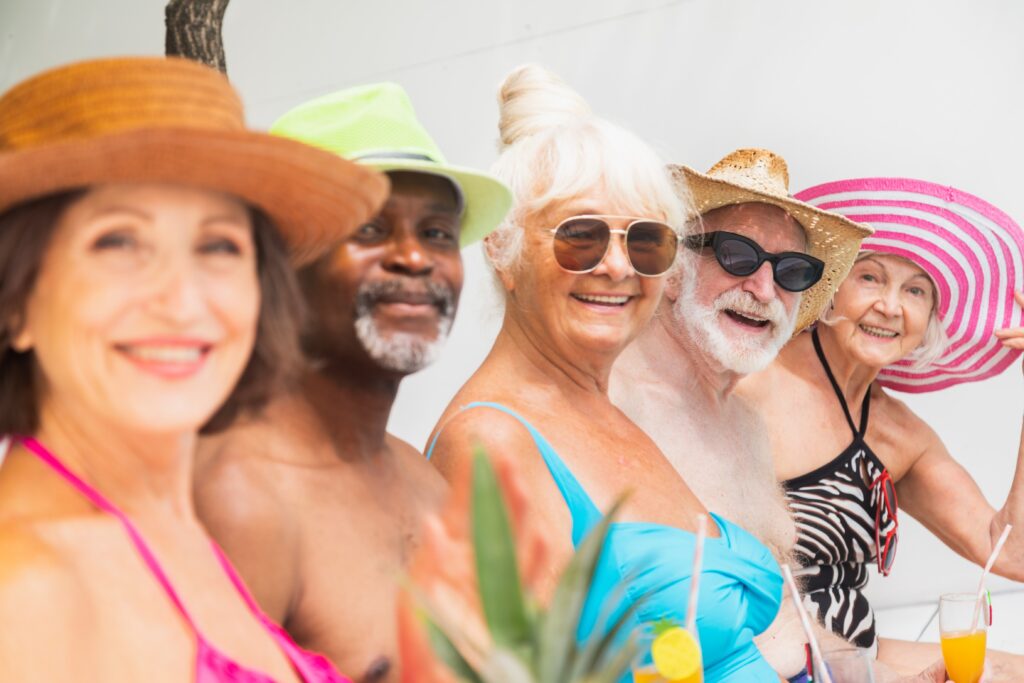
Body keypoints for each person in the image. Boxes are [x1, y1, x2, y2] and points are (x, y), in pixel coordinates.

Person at [0, 56, 388, 681]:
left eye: (218, 246)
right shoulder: (26, 588)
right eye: (118, 242)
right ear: (15, 300)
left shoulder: (173, 530)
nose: (181, 302)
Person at [426, 65, 784, 683]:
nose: (618, 267)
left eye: (646, 242)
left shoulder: (602, 409)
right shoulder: (489, 445)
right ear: (501, 248)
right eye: (580, 237)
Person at [195, 83, 512, 683]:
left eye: (438, 232)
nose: (414, 258)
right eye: (369, 229)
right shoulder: (242, 497)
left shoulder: (423, 481)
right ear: (278, 268)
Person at [737, 177, 1024, 677]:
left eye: (915, 291)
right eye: (869, 278)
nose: (890, 307)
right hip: (775, 655)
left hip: (857, 645)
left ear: (930, 318)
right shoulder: (752, 380)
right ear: (828, 287)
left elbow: (1010, 551)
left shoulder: (900, 435)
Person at [610, 148, 875, 682]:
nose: (762, 288)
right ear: (677, 262)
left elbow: (786, 617)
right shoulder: (613, 399)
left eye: (792, 271)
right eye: (736, 255)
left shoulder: (747, 423)